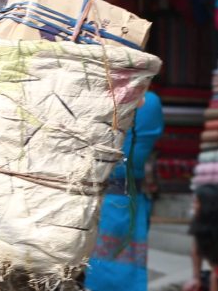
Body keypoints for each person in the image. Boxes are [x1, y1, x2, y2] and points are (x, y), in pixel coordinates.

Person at [85, 91, 165, 291]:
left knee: (95, 272)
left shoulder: (103, 99)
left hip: (98, 200)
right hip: (130, 200)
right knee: (125, 272)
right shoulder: (152, 103)